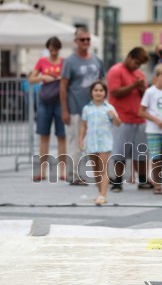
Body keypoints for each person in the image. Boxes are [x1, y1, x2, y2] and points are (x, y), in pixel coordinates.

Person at [60, 26, 105, 185]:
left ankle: (96, 172)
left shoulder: (96, 60)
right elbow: (63, 85)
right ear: (76, 41)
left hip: (93, 109)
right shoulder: (70, 61)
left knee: (92, 142)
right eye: (82, 39)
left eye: (88, 39)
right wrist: (64, 109)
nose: (85, 42)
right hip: (75, 108)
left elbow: (102, 82)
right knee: (75, 142)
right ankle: (74, 175)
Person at [107, 47, 151, 192]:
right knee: (120, 152)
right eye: (136, 62)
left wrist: (140, 88)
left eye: (140, 64)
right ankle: (117, 182)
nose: (137, 66)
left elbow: (145, 95)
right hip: (122, 118)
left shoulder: (139, 74)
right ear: (129, 57)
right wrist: (134, 85)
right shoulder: (116, 70)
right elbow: (114, 92)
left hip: (139, 118)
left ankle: (143, 180)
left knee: (141, 152)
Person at [29, 36, 66, 182]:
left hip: (60, 101)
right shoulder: (42, 61)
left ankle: (63, 171)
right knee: (44, 136)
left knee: (61, 137)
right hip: (45, 102)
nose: (54, 52)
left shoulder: (64, 62)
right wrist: (44, 77)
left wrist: (61, 77)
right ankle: (42, 171)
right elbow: (31, 79)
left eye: (56, 49)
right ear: (48, 49)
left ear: (59, 49)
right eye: (51, 50)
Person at [79, 81, 121, 205]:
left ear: (105, 93)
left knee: (103, 169)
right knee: (96, 170)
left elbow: (118, 124)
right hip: (92, 142)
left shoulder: (109, 108)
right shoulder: (87, 108)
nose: (98, 93)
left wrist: (114, 117)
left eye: (101, 90)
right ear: (91, 93)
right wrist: (81, 140)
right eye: (96, 90)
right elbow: (84, 126)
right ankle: (99, 192)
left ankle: (103, 195)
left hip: (105, 142)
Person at [138, 63, 162, 195]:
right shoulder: (150, 92)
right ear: (157, 77)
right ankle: (157, 183)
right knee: (156, 158)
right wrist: (155, 120)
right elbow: (141, 111)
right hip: (153, 130)